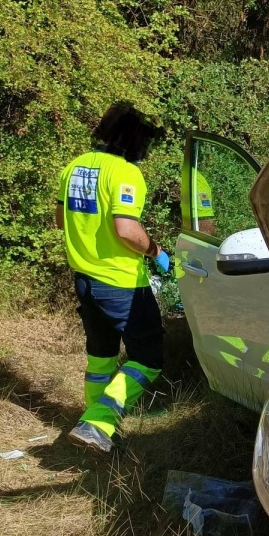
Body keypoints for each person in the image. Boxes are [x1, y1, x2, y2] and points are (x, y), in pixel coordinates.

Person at [55, 102, 168, 453]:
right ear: (135, 141)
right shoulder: (125, 173)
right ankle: (98, 422)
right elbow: (127, 230)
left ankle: (93, 427)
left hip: (84, 279)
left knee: (101, 357)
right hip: (121, 282)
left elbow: (60, 220)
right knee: (148, 359)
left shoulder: (74, 167)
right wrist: (156, 251)